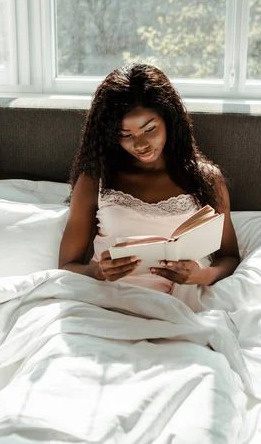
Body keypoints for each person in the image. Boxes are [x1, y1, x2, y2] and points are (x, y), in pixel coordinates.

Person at [58, 63, 240, 296]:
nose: (140, 145)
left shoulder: (206, 179)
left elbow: (230, 257)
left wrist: (202, 275)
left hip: (181, 302)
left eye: (149, 129)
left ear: (169, 120)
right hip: (106, 300)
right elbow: (66, 266)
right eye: (126, 135)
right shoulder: (95, 181)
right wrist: (98, 272)